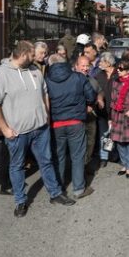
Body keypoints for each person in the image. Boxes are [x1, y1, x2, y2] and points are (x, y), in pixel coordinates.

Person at [0, 41, 75, 218]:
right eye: (33, 54)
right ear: (24, 54)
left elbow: (44, 94)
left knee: (47, 162)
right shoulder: (1, 75)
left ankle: (55, 193)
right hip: (17, 133)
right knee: (17, 166)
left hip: (40, 129)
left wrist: (46, 118)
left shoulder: (35, 71)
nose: (36, 57)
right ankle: (20, 201)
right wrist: (4, 129)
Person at [45, 54, 96, 199]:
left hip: (56, 123)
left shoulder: (46, 80)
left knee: (58, 156)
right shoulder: (78, 77)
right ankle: (79, 188)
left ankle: (59, 188)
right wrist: (87, 105)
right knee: (77, 156)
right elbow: (91, 96)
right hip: (75, 122)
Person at [75, 55, 105, 169]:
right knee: (79, 145)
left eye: (87, 66)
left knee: (91, 142)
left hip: (91, 117)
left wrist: (100, 97)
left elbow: (100, 91)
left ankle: (86, 165)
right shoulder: (71, 80)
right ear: (76, 66)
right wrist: (83, 107)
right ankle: (79, 170)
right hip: (77, 118)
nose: (85, 68)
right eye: (82, 65)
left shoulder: (92, 80)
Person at [93, 52, 117, 167]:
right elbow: (95, 89)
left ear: (108, 63)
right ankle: (104, 157)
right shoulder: (98, 75)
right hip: (102, 111)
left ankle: (114, 153)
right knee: (104, 134)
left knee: (114, 133)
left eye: (102, 61)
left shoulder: (118, 74)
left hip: (116, 110)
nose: (100, 63)